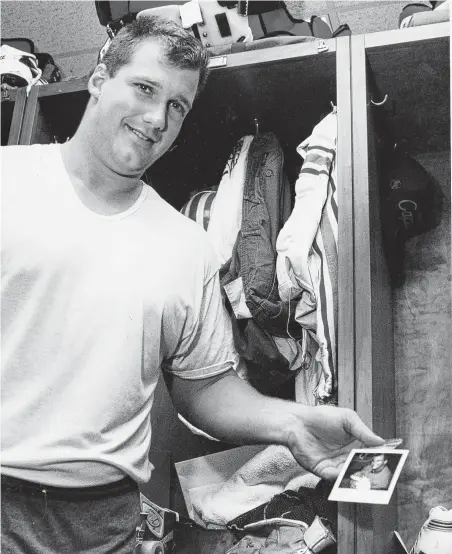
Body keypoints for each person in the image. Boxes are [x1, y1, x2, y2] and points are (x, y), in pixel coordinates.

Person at [1, 14, 384, 553]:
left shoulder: (186, 245)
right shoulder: (9, 182)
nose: (157, 118)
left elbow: (202, 387)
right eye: (144, 88)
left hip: (103, 522)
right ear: (98, 77)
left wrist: (294, 422)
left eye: (177, 105)